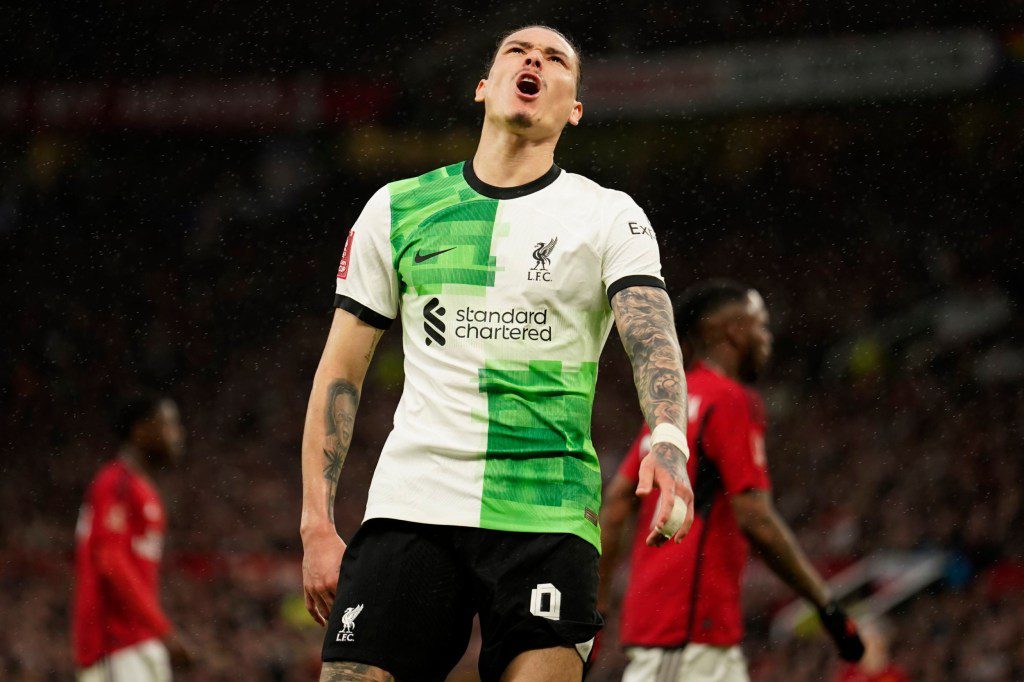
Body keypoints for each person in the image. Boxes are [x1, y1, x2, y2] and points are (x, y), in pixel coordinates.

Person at [300, 24, 694, 682]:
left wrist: (670, 438)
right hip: (413, 506)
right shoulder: (397, 208)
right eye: (518, 50)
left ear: (574, 109)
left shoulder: (609, 216)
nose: (535, 57)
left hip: (549, 512)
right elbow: (341, 371)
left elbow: (651, 335)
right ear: (484, 89)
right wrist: (317, 522)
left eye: (557, 57)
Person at [598, 280, 865, 681]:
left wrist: (596, 611)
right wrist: (826, 604)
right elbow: (755, 518)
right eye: (760, 326)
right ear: (734, 332)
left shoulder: (670, 405)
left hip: (669, 622)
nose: (767, 338)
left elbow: (617, 504)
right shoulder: (730, 400)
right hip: (688, 626)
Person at [72, 393, 192, 681]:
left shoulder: (141, 488)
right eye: (168, 424)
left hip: (138, 639)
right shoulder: (116, 483)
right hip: (115, 642)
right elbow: (110, 561)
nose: (177, 434)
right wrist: (163, 629)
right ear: (140, 431)